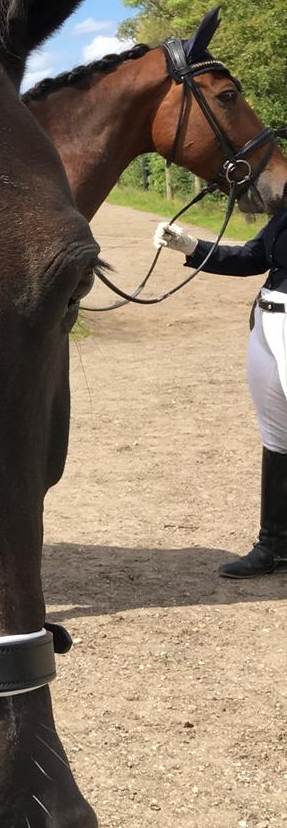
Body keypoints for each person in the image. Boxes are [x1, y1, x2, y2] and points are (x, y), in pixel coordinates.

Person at [156, 211, 287, 576]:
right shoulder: (285, 213)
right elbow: (252, 258)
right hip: (268, 323)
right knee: (277, 437)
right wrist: (192, 246)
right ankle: (275, 545)